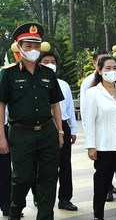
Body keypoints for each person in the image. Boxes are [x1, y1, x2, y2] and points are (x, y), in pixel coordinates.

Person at [0, 22, 64, 220]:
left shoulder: (48, 73)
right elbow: (1, 106)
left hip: (47, 132)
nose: (33, 50)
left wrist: (60, 132)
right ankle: (15, 209)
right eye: (28, 46)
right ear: (19, 47)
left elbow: (55, 105)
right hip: (20, 133)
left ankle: (45, 216)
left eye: (36, 46)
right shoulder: (8, 73)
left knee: (49, 177)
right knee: (22, 178)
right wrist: (1, 138)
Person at [84, 56, 116, 220]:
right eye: (107, 68)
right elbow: (89, 121)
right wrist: (91, 146)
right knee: (102, 184)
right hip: (103, 147)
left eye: (115, 67)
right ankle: (98, 215)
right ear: (99, 71)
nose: (112, 71)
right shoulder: (93, 93)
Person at [38, 52, 79, 211]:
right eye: (46, 61)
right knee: (43, 165)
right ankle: (40, 197)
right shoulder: (37, 83)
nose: (50, 64)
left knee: (65, 165)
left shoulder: (64, 84)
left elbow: (69, 108)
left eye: (52, 61)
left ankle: (65, 198)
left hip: (63, 126)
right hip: (44, 125)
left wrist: (73, 130)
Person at [79, 50, 116, 202]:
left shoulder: (115, 80)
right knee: (102, 166)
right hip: (99, 132)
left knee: (113, 163)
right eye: (102, 62)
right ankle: (105, 189)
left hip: (114, 130)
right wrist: (90, 138)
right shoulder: (88, 83)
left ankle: (109, 185)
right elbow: (85, 110)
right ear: (95, 64)